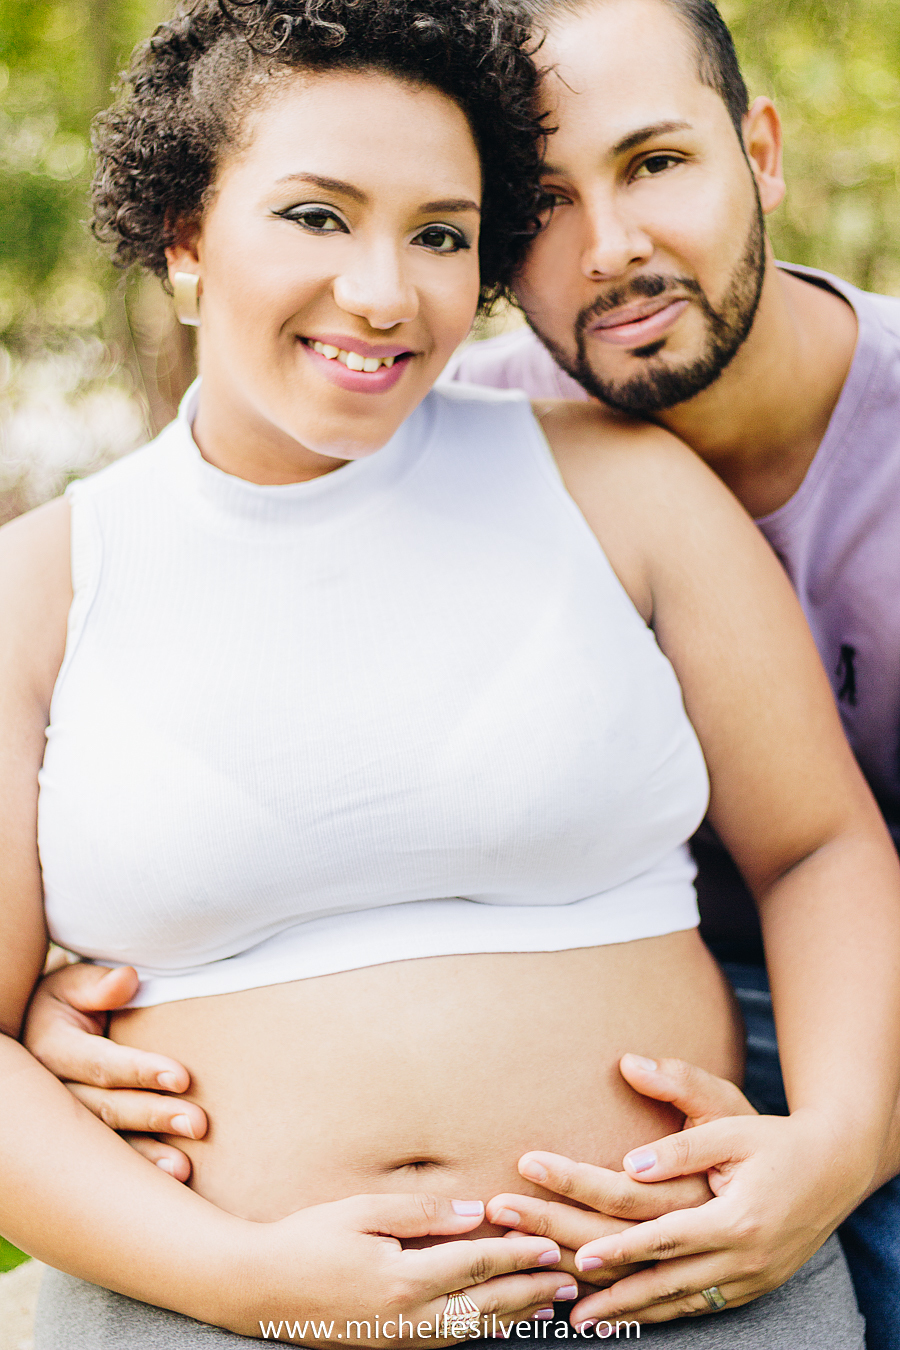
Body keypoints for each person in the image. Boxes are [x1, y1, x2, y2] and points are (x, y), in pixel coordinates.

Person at [6, 0, 899, 1345]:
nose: (383, 290)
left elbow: (826, 846)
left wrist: (833, 1145)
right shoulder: (42, 585)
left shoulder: (620, 483)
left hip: (664, 1288)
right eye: (317, 215)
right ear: (186, 234)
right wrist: (237, 1275)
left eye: (439, 233)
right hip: (198, 1313)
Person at [436, 1, 900, 1346]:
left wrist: (843, 1140)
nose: (615, 247)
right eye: (542, 202)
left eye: (655, 164)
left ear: (760, 150)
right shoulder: (466, 452)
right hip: (640, 1056)